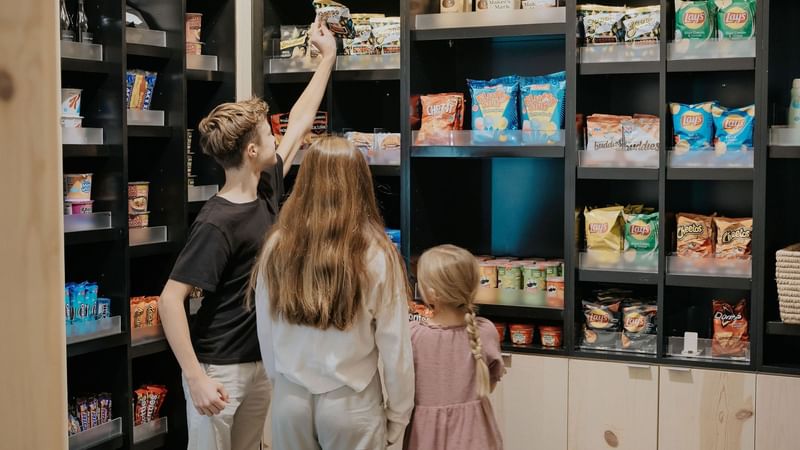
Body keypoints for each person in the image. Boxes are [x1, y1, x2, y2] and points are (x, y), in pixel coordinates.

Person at [157, 19, 337, 450]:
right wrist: (196, 378)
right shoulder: (217, 222)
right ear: (252, 151)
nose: (277, 136)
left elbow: (300, 122)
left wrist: (327, 58)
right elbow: (169, 301)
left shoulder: (266, 186)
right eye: (268, 134)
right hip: (219, 369)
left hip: (260, 362)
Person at [252, 136, 415, 450]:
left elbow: (266, 330)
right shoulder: (377, 252)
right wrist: (399, 415)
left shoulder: (277, 246)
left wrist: (281, 384)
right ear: (360, 183)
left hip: (290, 399)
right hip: (351, 403)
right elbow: (396, 346)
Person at [405, 245, 505, 450]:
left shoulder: (413, 335)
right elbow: (490, 384)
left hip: (426, 437)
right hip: (476, 435)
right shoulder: (485, 331)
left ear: (431, 294)